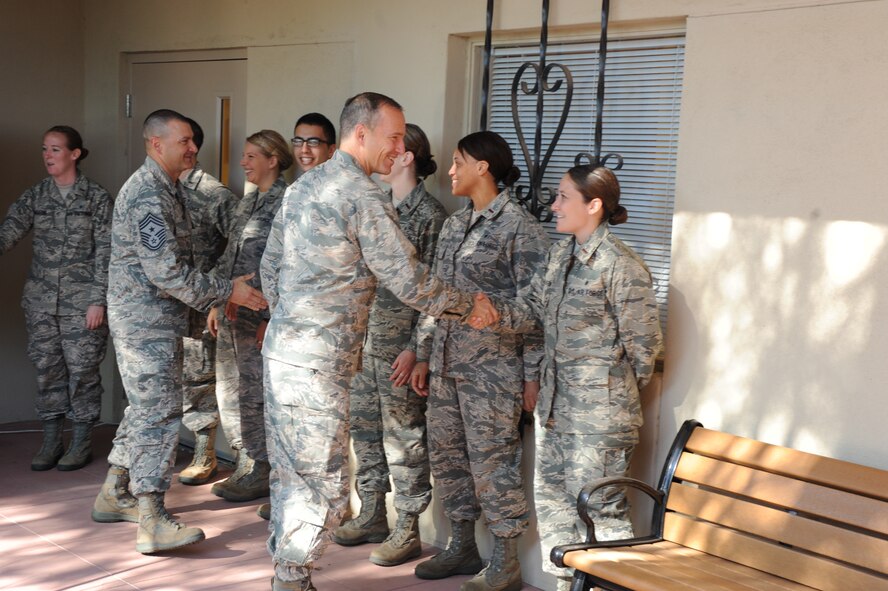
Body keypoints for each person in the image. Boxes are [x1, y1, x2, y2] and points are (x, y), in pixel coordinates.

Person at [258, 92, 499, 591]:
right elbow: (406, 279)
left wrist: (291, 322)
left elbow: (270, 267)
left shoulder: (306, 187)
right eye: (392, 137)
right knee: (319, 481)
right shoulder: (361, 194)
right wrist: (468, 306)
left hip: (285, 353)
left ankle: (288, 574)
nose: (399, 148)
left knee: (291, 474)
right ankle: (292, 579)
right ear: (361, 133)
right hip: (318, 363)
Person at [90, 109, 267, 554]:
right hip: (145, 322)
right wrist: (227, 291)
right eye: (184, 141)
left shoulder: (170, 190)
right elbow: (166, 272)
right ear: (156, 144)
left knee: (145, 409)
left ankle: (115, 491)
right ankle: (151, 518)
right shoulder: (148, 194)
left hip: (159, 320)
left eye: (192, 140)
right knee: (158, 415)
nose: (193, 148)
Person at [410, 131, 549, 591]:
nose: (450, 170)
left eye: (457, 162)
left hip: (493, 373)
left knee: (494, 465)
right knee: (448, 459)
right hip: (448, 368)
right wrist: (424, 355)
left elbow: (537, 312)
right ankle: (463, 546)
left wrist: (532, 377)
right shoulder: (453, 225)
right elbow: (437, 300)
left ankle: (506, 561)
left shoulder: (520, 229)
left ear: (483, 167)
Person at [527, 166, 663, 591]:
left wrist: (605, 396)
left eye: (564, 197)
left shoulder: (621, 266)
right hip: (552, 411)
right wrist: (470, 308)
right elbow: (527, 312)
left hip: (598, 420)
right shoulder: (558, 257)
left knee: (601, 511)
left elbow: (645, 349)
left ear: (594, 204)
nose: (554, 205)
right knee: (555, 508)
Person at [332, 123, 447, 567]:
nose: (388, 152)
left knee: (404, 439)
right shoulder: (374, 207)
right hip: (364, 344)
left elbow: (435, 291)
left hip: (399, 348)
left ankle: (408, 526)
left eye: (397, 147)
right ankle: (373, 513)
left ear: (408, 157)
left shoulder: (430, 216)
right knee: (364, 432)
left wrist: (418, 348)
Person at [0, 126, 112, 471]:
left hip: (83, 305)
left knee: (83, 373)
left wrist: (99, 300)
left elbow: (109, 251)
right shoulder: (36, 195)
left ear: (74, 154)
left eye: (55, 149)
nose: (47, 156)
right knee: (47, 372)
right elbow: (8, 232)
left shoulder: (96, 197)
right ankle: (51, 440)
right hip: (41, 302)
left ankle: (80, 442)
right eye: (44, 149)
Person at [255, 111, 337, 521]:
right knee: (285, 429)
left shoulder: (342, 197)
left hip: (325, 341)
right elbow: (271, 262)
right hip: (290, 335)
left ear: (333, 149)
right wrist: (278, 312)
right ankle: (288, 503)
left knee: (316, 437)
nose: (305, 150)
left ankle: (309, 516)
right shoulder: (294, 195)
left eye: (314, 143)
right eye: (299, 141)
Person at [207, 130, 293, 502]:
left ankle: (262, 468)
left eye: (251, 156)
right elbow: (229, 257)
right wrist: (215, 298)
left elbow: (287, 266)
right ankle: (247, 461)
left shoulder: (286, 202)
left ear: (273, 160)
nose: (243, 163)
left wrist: (268, 317)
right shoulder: (248, 202)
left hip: (260, 316)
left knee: (258, 393)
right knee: (233, 392)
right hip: (232, 312)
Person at [177, 118, 239, 487]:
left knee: (207, 378)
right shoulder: (162, 191)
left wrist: (218, 286)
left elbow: (240, 247)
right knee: (185, 379)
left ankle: (207, 453)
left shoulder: (215, 195)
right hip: (171, 305)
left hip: (206, 305)